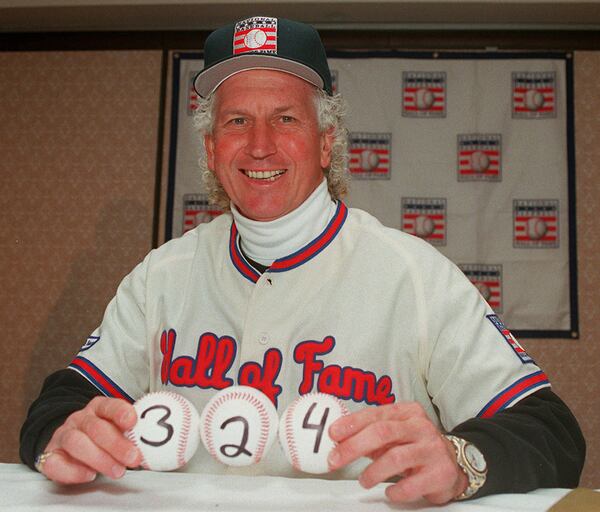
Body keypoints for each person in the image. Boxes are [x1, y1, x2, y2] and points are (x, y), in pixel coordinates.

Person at [20, 16, 585, 505]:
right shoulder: (161, 275)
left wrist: (461, 460)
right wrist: (65, 437)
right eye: (237, 120)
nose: (260, 144)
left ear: (325, 142)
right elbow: (63, 400)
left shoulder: (413, 274)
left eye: (286, 118)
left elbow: (553, 432)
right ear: (213, 150)